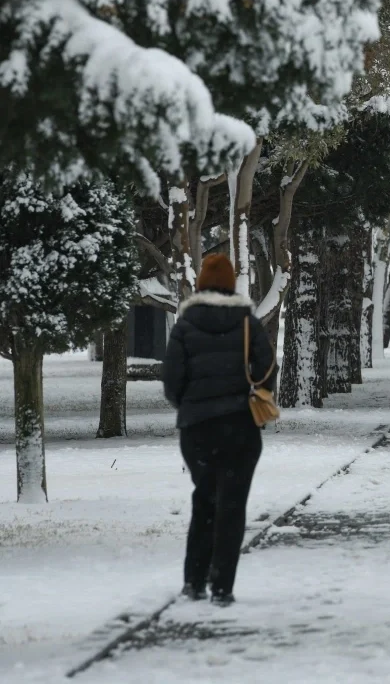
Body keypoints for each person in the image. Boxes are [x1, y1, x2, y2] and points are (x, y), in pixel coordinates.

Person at [163, 254, 275, 606]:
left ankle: (194, 581)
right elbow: (268, 367)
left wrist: (191, 405)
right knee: (232, 505)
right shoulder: (247, 322)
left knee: (205, 498)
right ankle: (222, 587)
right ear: (231, 284)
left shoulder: (184, 326)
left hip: (197, 429)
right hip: (241, 425)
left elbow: (171, 380)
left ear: (200, 286)